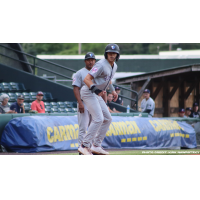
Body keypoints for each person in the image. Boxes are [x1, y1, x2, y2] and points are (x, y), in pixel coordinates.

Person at [78, 43, 120, 155]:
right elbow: (87, 79)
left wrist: (113, 91)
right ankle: (84, 145)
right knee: (98, 118)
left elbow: (108, 80)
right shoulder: (100, 64)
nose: (112, 55)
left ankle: (96, 145)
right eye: (110, 53)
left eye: (114, 53)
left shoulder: (114, 66)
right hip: (88, 91)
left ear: (117, 55)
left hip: (98, 93)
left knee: (107, 118)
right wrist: (97, 90)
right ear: (106, 54)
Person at [72, 52, 96, 149]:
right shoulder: (79, 73)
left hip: (95, 103)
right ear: (85, 61)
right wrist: (80, 103)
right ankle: (81, 149)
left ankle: (90, 148)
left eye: (92, 60)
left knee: (94, 127)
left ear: (95, 61)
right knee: (83, 128)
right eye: (88, 60)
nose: (90, 62)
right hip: (84, 103)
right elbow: (75, 88)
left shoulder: (97, 72)